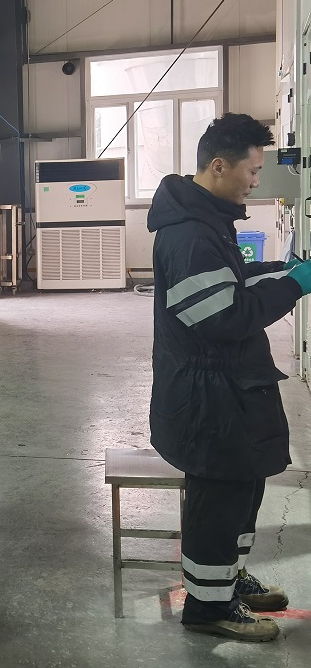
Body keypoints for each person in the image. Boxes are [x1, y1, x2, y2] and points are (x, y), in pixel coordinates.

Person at [147, 112, 310, 642]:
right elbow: (223, 316)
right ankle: (208, 607)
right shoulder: (190, 235)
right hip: (208, 396)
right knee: (218, 499)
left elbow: (230, 282)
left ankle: (227, 581)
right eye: (253, 170)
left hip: (229, 388)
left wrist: (282, 270)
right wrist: (294, 285)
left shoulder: (208, 221)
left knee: (242, 489)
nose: (257, 181)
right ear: (219, 166)